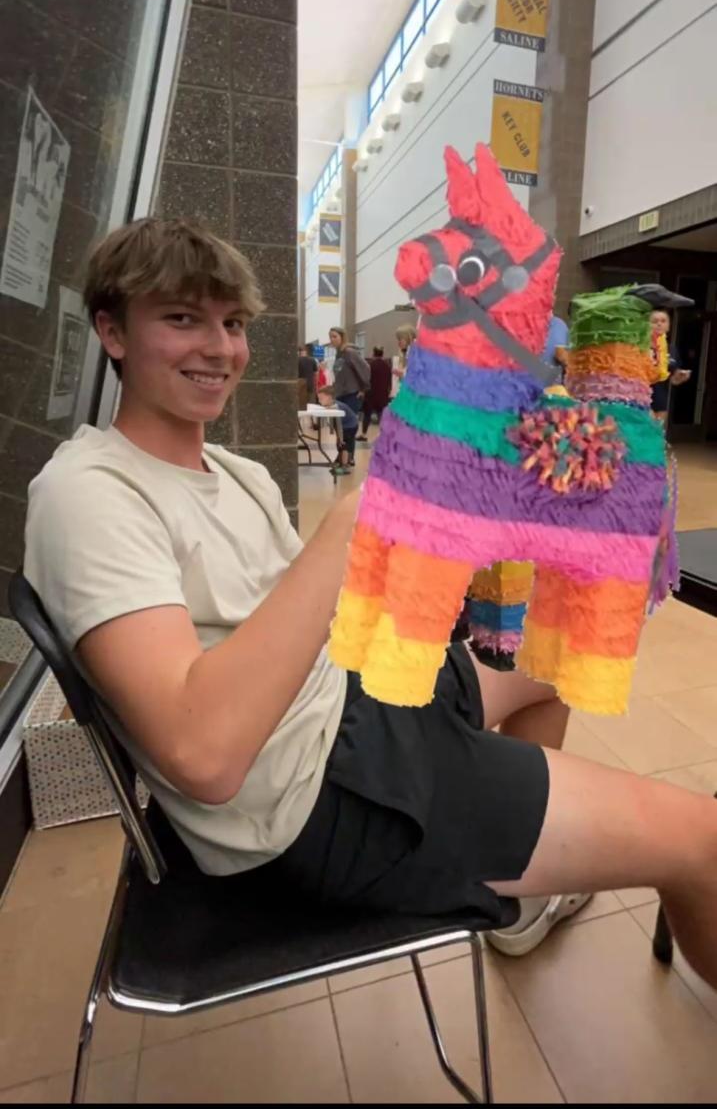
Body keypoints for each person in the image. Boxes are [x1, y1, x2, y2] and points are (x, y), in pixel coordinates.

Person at [22, 218, 717, 981]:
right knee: (702, 841)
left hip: (346, 702)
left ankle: (515, 868)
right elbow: (203, 756)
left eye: (233, 324)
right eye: (182, 319)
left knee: (548, 651)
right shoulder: (89, 493)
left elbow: (302, 618)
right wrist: (355, 521)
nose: (219, 349)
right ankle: (498, 830)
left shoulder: (235, 473)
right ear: (111, 331)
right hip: (313, 798)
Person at [650, 308, 691, 421]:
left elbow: (673, 379)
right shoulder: (640, 347)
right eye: (655, 321)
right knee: (647, 428)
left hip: (661, 402)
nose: (659, 324)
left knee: (658, 430)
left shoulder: (671, 349)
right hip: (641, 399)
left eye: (663, 321)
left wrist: (680, 375)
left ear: (668, 326)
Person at [328, 327, 370, 419]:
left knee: (349, 422)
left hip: (351, 394)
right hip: (340, 394)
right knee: (341, 423)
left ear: (342, 337)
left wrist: (363, 389)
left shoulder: (349, 352)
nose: (332, 339)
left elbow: (365, 368)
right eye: (330, 337)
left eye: (335, 336)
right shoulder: (338, 354)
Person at [317, 384, 357, 475]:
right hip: (345, 425)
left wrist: (340, 437)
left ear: (329, 397)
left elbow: (337, 417)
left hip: (349, 426)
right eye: (319, 399)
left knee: (344, 445)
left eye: (321, 398)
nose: (319, 401)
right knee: (340, 444)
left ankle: (344, 466)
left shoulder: (337, 406)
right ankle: (342, 461)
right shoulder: (331, 405)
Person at [357, 346, 392, 441]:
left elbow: (366, 380)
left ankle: (364, 434)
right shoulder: (387, 366)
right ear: (383, 354)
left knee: (367, 415)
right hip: (383, 395)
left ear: (373, 354)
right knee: (381, 415)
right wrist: (388, 391)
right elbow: (389, 381)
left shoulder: (370, 365)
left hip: (370, 394)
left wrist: (363, 390)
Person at [393, 323, 416, 392]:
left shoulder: (416, 354)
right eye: (397, 339)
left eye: (400, 339)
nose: (398, 342)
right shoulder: (403, 355)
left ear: (408, 338)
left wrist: (402, 375)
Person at [297, 343, 318, 408]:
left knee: (301, 404)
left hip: (301, 384)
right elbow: (316, 373)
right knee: (310, 404)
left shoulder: (298, 360)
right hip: (310, 384)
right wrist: (315, 384)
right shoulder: (312, 360)